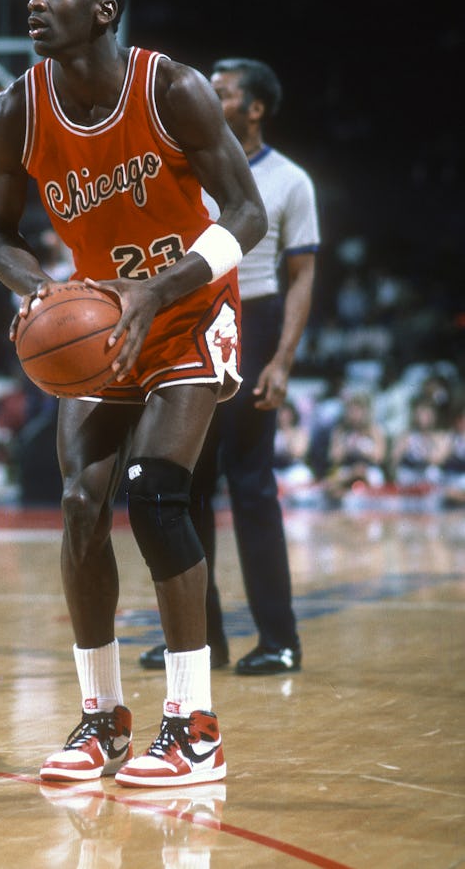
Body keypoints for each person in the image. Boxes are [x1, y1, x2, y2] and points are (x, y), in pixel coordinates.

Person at [0, 0, 267, 788]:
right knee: (77, 501)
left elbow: (246, 213)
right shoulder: (13, 113)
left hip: (189, 306)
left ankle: (195, 727)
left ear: (104, 10)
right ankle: (102, 719)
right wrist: (37, 290)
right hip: (102, 319)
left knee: (154, 488)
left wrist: (160, 289)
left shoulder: (169, 88)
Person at [139, 59, 319, 676]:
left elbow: (302, 276)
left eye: (225, 92)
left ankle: (279, 638)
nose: (212, 98)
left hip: (256, 319)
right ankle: (200, 640)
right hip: (194, 321)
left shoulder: (291, 180)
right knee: (185, 485)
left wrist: (282, 360)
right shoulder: (191, 164)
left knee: (252, 486)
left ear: (256, 108)